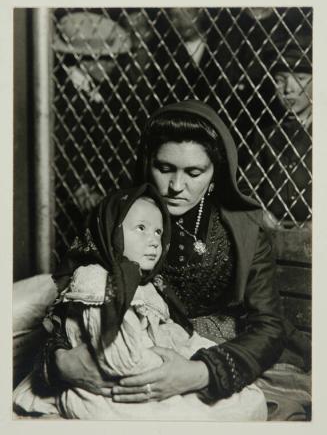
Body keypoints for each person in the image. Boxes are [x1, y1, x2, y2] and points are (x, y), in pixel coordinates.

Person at [31, 100, 310, 420]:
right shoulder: (114, 219)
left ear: (215, 172)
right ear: (145, 163)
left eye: (194, 172)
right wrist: (62, 361)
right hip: (126, 352)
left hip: (214, 357)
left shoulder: (242, 230)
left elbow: (269, 325)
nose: (177, 187)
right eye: (164, 169)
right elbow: (73, 306)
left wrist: (199, 373)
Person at [13, 183, 266, 420]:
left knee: (250, 401)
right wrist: (166, 367)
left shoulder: (145, 284)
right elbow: (118, 360)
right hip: (109, 388)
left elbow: (171, 332)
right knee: (220, 413)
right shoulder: (99, 282)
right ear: (111, 230)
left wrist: (192, 359)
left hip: (145, 375)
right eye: (141, 229)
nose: (155, 240)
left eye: (158, 231)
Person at [244, 33, 312, 223]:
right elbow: (247, 187)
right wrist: (262, 213)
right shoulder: (265, 134)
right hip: (275, 233)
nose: (288, 89)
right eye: (280, 79)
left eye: (300, 78)